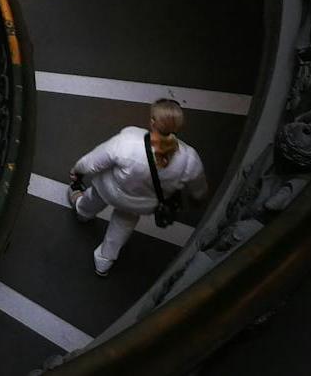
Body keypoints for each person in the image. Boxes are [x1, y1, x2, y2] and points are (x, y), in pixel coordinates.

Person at [68, 98, 210, 276]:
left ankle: (83, 213)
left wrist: (77, 170)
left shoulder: (129, 140)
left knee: (92, 199)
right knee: (122, 226)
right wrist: (198, 198)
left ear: (152, 121)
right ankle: (104, 261)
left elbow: (93, 162)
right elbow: (199, 190)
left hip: (109, 190)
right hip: (140, 205)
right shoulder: (189, 158)